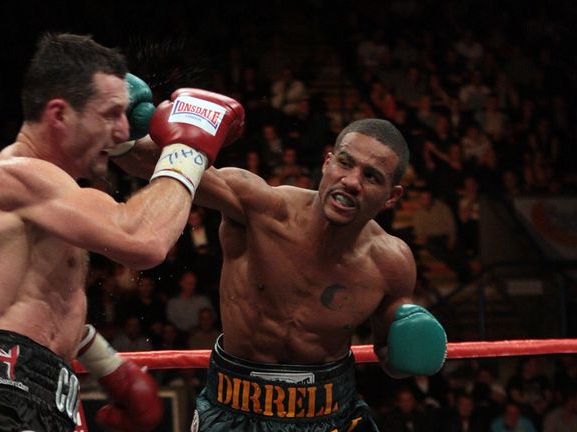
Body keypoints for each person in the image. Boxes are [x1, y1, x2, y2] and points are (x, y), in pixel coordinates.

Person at [0, 33, 244, 432]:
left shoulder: (56, 198)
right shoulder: (10, 177)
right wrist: (189, 150)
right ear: (59, 114)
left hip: (32, 387)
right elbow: (144, 240)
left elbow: (42, 302)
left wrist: (110, 368)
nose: (123, 131)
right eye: (110, 115)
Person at [114, 117, 446, 431]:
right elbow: (152, 164)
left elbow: (392, 358)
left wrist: (411, 353)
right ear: (327, 162)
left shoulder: (391, 263)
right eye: (345, 163)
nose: (351, 181)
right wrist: (117, 131)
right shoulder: (261, 208)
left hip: (330, 413)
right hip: (235, 408)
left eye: (371, 177)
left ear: (392, 196)